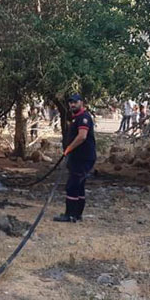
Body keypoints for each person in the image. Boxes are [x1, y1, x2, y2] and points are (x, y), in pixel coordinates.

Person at [54, 94, 96, 223]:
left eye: (75, 102)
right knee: (79, 186)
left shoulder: (84, 118)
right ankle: (77, 215)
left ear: (81, 103)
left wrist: (69, 148)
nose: (72, 105)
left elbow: (82, 136)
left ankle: (70, 214)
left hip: (83, 158)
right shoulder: (75, 118)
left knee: (72, 186)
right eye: (70, 102)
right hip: (78, 157)